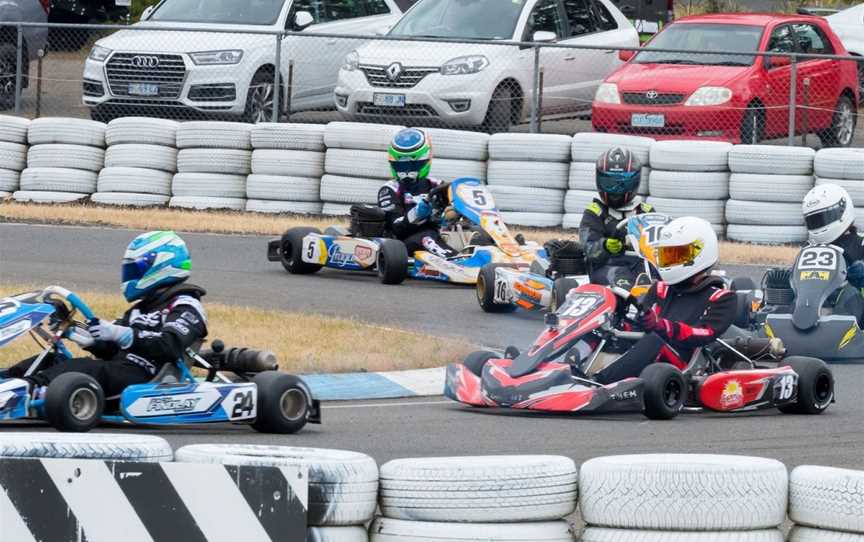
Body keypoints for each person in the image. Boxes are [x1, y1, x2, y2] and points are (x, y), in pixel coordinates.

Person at [2, 231, 208, 398]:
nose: (130, 275)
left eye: (135, 269)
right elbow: (114, 350)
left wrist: (124, 335)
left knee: (83, 368)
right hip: (120, 369)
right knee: (54, 360)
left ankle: (19, 393)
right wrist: (92, 342)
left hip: (147, 377)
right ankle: (8, 380)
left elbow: (170, 346)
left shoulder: (186, 305)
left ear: (162, 265)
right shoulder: (141, 308)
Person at [591, 217, 737, 384]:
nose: (669, 262)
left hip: (682, 363)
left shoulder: (722, 297)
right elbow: (640, 327)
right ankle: (567, 371)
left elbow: (704, 334)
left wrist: (660, 325)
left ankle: (597, 383)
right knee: (596, 330)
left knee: (655, 338)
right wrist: (619, 320)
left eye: (676, 255)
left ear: (699, 252)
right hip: (645, 355)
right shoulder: (660, 288)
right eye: (666, 255)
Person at [579, 146, 654, 290]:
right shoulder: (595, 212)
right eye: (609, 183)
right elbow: (588, 248)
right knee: (621, 278)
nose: (615, 190)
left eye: (621, 184)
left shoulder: (646, 212)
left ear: (634, 182)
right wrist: (605, 246)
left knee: (663, 278)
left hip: (641, 265)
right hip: (608, 266)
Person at [377, 128, 458, 258]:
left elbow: (449, 212)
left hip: (442, 235)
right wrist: (417, 213)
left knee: (476, 233)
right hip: (403, 243)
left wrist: (454, 212)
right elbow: (395, 227)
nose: (407, 172)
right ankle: (457, 261)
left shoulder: (438, 185)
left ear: (426, 161)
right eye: (402, 167)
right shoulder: (389, 189)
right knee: (427, 236)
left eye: (413, 166)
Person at [802, 183, 864, 322]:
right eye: (814, 220)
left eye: (823, 218)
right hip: (810, 306)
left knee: (849, 293)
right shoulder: (808, 249)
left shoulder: (861, 245)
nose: (819, 225)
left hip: (852, 314)